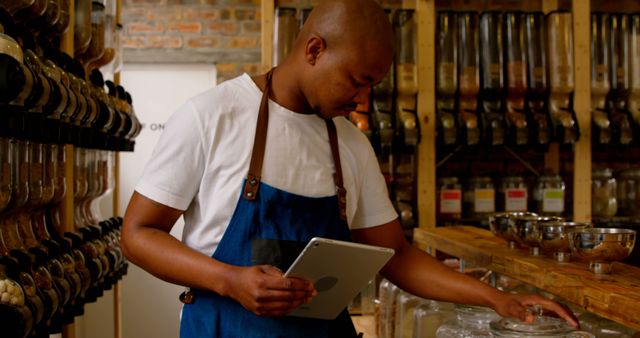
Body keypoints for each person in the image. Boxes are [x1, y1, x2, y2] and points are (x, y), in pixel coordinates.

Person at [121, 0, 578, 337]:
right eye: (359, 81)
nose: (363, 101)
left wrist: (500, 300)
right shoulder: (212, 116)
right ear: (315, 49)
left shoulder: (349, 144)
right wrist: (230, 279)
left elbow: (396, 257)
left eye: (373, 86)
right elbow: (138, 235)